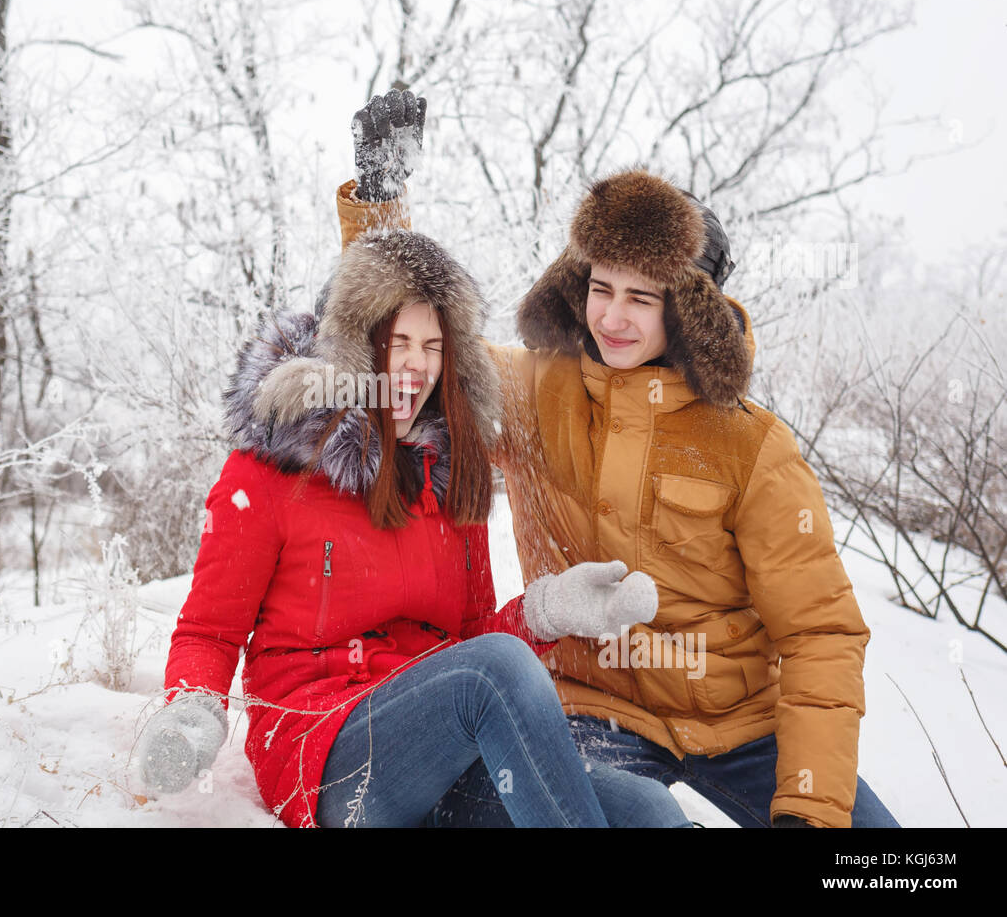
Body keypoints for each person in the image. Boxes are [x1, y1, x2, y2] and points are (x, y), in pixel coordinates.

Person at [335, 90, 900, 828]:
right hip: (594, 710)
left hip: (742, 724)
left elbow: (819, 632)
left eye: (641, 297)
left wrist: (808, 806)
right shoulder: (538, 391)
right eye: (601, 288)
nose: (612, 316)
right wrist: (379, 208)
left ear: (688, 309)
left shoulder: (751, 444)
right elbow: (420, 343)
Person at [136, 216, 692, 827]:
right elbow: (208, 631)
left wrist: (549, 610)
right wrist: (191, 708)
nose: (415, 366)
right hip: (327, 755)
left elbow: (475, 635)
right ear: (353, 348)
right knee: (498, 668)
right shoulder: (270, 471)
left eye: (432, 348)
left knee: (648, 809)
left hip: (443, 751)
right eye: (397, 343)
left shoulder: (449, 473)